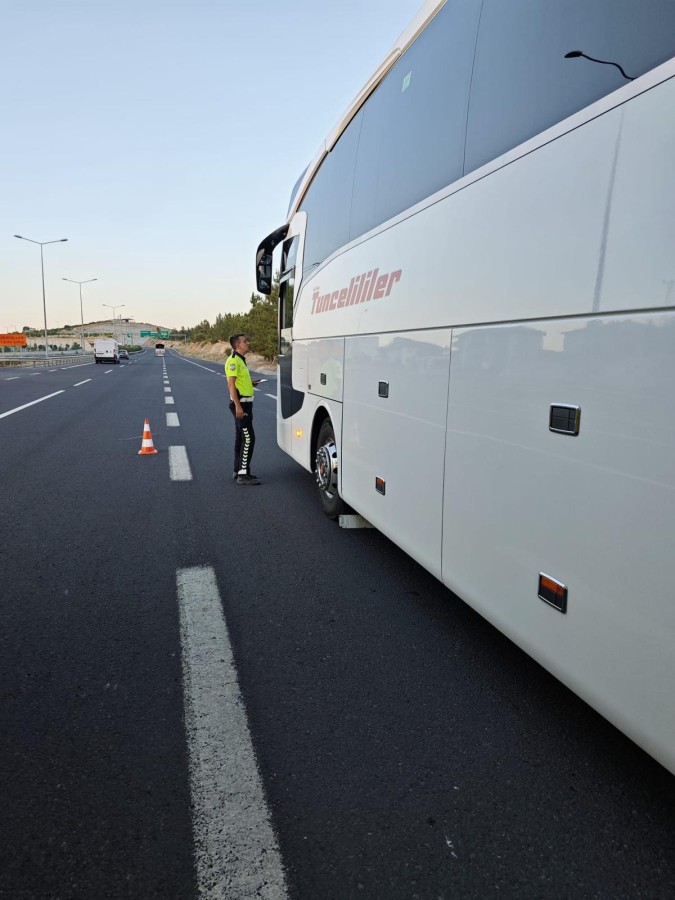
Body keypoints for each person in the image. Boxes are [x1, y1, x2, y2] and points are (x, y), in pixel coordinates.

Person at [226, 333, 262, 485]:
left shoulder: (240, 360)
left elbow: (239, 381)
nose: (248, 343)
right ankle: (242, 474)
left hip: (245, 403)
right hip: (241, 405)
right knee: (249, 438)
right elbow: (231, 384)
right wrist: (238, 406)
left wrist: (250, 383)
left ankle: (238, 470)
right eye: (245, 341)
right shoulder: (234, 361)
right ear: (238, 345)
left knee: (241, 437)